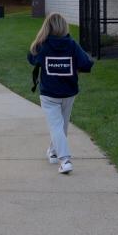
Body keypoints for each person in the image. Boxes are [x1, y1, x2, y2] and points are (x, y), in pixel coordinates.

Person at [27, 12, 93, 174]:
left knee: (57, 126)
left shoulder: (42, 45)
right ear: (64, 27)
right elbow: (86, 64)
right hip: (69, 93)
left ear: (47, 27)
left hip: (49, 94)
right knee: (61, 125)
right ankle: (54, 151)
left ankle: (65, 160)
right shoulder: (72, 44)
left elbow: (31, 58)